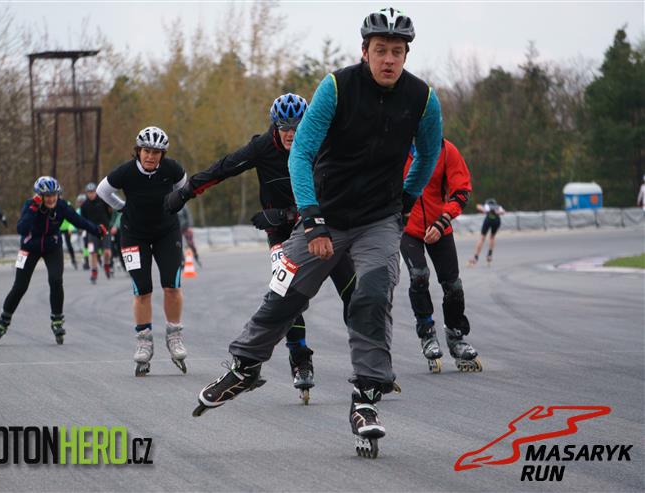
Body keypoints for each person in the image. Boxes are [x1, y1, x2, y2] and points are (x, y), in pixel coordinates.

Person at [191, 7, 442, 459]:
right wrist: (311, 219)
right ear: (364, 51)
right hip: (325, 213)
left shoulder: (422, 99)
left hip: (379, 218)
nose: (388, 59)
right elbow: (301, 153)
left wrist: (405, 201)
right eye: (380, 50)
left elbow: (427, 156)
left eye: (397, 52)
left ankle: (366, 397)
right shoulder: (336, 88)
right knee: (284, 291)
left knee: (373, 291)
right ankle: (245, 367)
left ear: (406, 55)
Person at [164, 93, 357, 405]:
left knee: (353, 293)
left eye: (297, 127)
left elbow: (341, 187)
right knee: (286, 296)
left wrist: (286, 214)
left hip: (319, 227)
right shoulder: (262, 147)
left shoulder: (320, 144)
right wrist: (186, 192)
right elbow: (223, 168)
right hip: (281, 235)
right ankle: (300, 358)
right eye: (285, 128)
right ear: (274, 127)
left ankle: (370, 362)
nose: (291, 134)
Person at [96, 126, 189, 376]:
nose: (150, 156)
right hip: (133, 234)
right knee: (142, 289)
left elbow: (185, 188)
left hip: (166, 233)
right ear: (138, 151)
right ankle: (144, 340)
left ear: (163, 154)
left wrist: (174, 204)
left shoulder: (172, 169)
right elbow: (103, 191)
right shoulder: (126, 171)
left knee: (172, 285)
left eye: (156, 152)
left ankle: (174, 335)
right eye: (146, 151)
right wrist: (122, 208)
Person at [0, 177, 106, 346]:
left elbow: (78, 220)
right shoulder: (30, 205)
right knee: (20, 286)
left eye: (54, 195)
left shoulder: (62, 206)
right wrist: (33, 208)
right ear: (39, 196)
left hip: (52, 246)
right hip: (30, 247)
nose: (51, 199)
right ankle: (3, 321)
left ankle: (57, 319)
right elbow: (21, 229)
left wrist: (96, 230)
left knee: (56, 280)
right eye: (47, 196)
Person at [400, 139, 481, 374]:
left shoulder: (445, 149)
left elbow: (462, 191)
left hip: (439, 225)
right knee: (419, 275)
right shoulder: (395, 144)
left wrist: (443, 220)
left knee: (453, 285)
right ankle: (427, 333)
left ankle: (456, 336)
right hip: (408, 228)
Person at [80, 182, 113, 282]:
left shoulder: (103, 201)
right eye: (89, 192)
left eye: (93, 192)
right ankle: (94, 271)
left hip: (105, 230)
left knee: (107, 252)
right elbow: (83, 219)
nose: (91, 194)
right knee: (92, 253)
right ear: (86, 193)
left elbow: (110, 213)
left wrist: (108, 224)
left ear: (96, 192)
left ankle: (106, 265)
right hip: (92, 232)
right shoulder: (84, 205)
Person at [468, 198, 505, 266]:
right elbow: (503, 212)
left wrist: (485, 210)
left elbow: (478, 206)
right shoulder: (498, 206)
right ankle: (489, 255)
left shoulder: (487, 205)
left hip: (488, 220)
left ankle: (476, 257)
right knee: (492, 237)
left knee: (482, 238)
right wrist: (496, 212)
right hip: (496, 221)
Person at [59, 198, 78, 270]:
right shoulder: (54, 205)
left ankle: (73, 259)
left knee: (69, 245)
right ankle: (58, 261)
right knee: (57, 245)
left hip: (67, 228)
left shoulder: (67, 205)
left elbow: (72, 217)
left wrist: (70, 228)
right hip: (58, 228)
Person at [76, 193, 91, 270]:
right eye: (79, 202)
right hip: (84, 230)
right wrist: (79, 228)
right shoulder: (78, 210)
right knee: (85, 245)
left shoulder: (89, 208)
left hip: (90, 228)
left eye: (82, 202)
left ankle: (97, 257)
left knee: (92, 245)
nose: (81, 203)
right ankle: (86, 260)